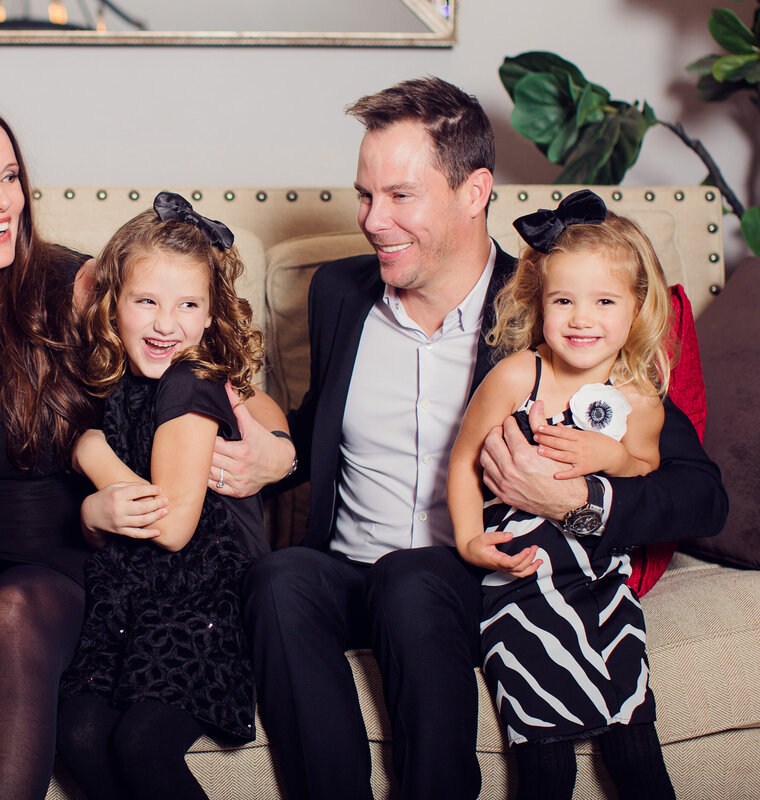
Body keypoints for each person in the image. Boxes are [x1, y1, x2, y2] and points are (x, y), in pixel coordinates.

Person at [237, 77, 728, 800]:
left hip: (479, 581)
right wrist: (271, 454)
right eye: (365, 195)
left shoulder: (554, 310)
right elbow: (324, 427)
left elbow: (700, 494)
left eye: (400, 196)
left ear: (475, 192)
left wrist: (577, 500)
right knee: (278, 580)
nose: (373, 220)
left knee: (412, 579)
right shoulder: (339, 294)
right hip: (349, 570)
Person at [0, 92, 290, 800]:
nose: (3, 202)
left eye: (11, 176)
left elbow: (223, 383)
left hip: (60, 559)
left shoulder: (73, 285)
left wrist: (279, 451)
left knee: (12, 612)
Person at [448, 190, 676, 799]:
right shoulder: (519, 375)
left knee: (633, 730)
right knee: (545, 752)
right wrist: (471, 540)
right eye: (563, 301)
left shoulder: (639, 400)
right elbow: (465, 459)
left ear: (636, 309)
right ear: (538, 305)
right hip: (520, 579)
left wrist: (614, 457)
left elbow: (648, 473)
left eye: (604, 301)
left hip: (601, 579)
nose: (582, 318)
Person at [55, 193, 275, 800]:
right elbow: (110, 526)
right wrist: (91, 512)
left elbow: (172, 527)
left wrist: (91, 454)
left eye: (187, 305)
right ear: (113, 305)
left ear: (211, 317)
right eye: (145, 301)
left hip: (198, 610)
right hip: (127, 606)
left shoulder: (189, 383)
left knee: (141, 745)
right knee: (75, 735)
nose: (165, 324)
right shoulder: (121, 384)